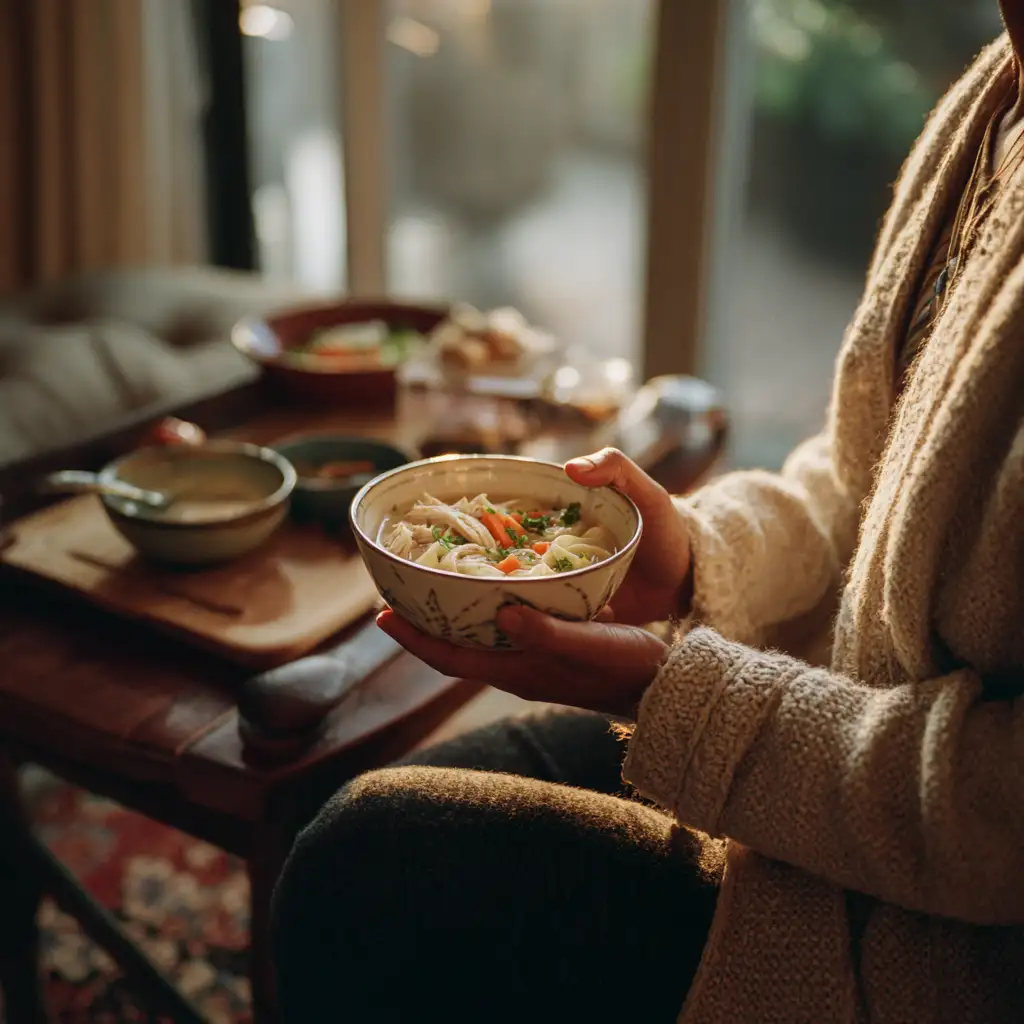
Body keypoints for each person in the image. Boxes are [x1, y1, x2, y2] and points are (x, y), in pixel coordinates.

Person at [271, 8, 1024, 1022]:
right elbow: (867, 478)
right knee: (356, 828)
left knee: (357, 875)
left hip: (916, 953)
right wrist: (696, 560)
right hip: (821, 752)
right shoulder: (996, 87)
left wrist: (681, 694)